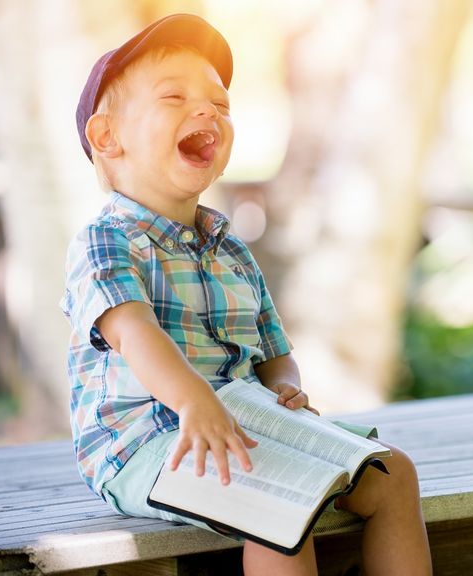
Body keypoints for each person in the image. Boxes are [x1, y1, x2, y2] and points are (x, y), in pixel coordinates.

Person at [60, 14, 431, 575]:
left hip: (243, 421)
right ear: (108, 137)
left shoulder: (230, 248)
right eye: (174, 96)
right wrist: (193, 400)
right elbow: (135, 333)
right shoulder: (105, 242)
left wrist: (285, 386)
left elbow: (273, 349)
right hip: (144, 444)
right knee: (280, 503)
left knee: (392, 474)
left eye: (220, 102)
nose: (208, 109)